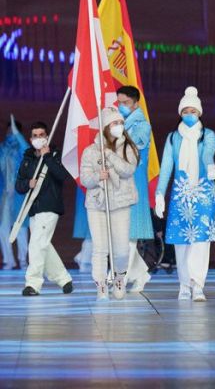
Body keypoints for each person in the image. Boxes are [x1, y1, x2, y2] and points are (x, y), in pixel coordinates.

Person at [155, 87, 215, 302]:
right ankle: (184, 285)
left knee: (201, 242)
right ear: (180, 113)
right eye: (185, 111)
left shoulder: (207, 135)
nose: (189, 115)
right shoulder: (173, 138)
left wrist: (210, 166)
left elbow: (208, 152)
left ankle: (198, 285)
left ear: (200, 112)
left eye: (193, 111)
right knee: (181, 243)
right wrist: (159, 194)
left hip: (203, 193)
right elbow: (166, 167)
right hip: (181, 195)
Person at [79, 107, 139, 300]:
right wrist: (98, 176)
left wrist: (110, 155)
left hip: (121, 203)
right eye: (114, 123)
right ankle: (101, 285)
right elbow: (85, 179)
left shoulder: (128, 147)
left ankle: (119, 278)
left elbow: (127, 170)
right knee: (100, 248)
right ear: (105, 127)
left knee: (121, 249)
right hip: (97, 204)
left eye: (121, 123)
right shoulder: (90, 151)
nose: (119, 127)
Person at [15, 121, 73, 296]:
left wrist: (47, 157)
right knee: (42, 244)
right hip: (33, 208)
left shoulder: (54, 155)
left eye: (42, 135)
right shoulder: (27, 158)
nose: (38, 138)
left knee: (36, 245)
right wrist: (27, 183)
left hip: (50, 207)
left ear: (47, 136)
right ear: (30, 138)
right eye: (35, 136)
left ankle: (33, 283)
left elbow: (62, 175)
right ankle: (64, 279)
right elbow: (19, 185)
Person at [116, 86, 154, 292]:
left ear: (136, 104)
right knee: (121, 235)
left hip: (134, 185)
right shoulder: (117, 125)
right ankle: (141, 274)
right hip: (119, 186)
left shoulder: (141, 126)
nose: (121, 107)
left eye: (126, 103)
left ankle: (119, 280)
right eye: (119, 103)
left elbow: (128, 152)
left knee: (129, 236)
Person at [0, 117, 29, 270]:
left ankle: (23, 260)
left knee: (21, 228)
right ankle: (8, 260)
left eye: (13, 131)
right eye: (9, 130)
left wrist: (18, 135)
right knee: (3, 229)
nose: (10, 133)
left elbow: (26, 149)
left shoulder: (23, 151)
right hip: (4, 196)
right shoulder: (2, 149)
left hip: (19, 195)